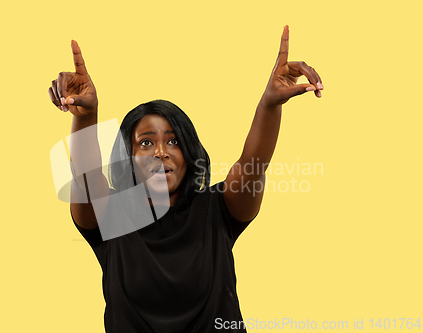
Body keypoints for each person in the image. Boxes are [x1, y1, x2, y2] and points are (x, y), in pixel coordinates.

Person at [48, 25, 323, 332]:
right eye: (146, 142)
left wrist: (269, 104)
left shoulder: (218, 209)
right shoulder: (112, 215)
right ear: (128, 157)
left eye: (174, 141)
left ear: (188, 151)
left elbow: (252, 166)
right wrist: (86, 115)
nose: (161, 152)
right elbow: (86, 177)